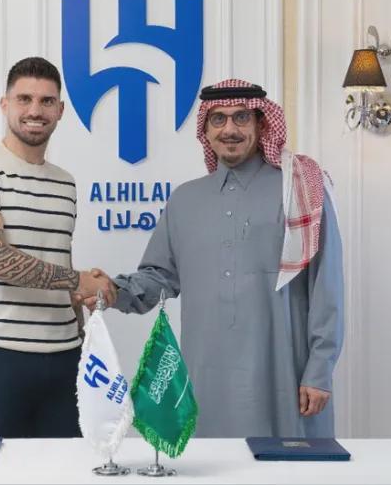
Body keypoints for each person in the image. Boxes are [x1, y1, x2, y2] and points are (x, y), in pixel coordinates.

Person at [89, 78, 344, 438]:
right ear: (205, 131)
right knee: (210, 462)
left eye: (241, 117)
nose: (230, 129)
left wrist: (319, 369)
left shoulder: (300, 188)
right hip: (205, 379)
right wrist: (113, 290)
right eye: (218, 119)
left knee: (287, 463)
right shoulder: (185, 200)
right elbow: (160, 277)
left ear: (261, 123)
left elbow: (326, 286)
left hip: (284, 376)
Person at [0, 56, 114, 438]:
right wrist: (80, 280)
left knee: (67, 466)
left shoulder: (65, 183)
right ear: (4, 104)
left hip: (64, 356)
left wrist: (83, 302)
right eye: (24, 99)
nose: (35, 111)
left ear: (60, 110)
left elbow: (57, 262)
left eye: (46, 101)